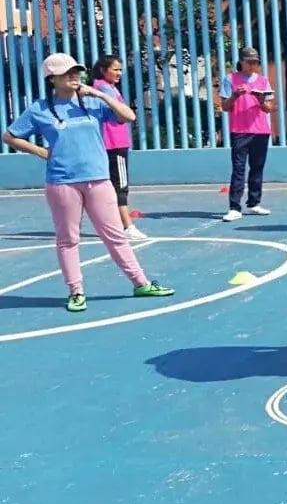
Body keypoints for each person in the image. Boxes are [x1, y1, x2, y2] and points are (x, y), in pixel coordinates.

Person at [1, 53, 175, 312]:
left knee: (115, 235)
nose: (74, 76)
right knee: (68, 239)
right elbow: (10, 136)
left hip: (99, 180)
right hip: (62, 182)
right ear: (52, 79)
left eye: (76, 71)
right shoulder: (39, 109)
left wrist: (103, 95)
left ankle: (141, 283)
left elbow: (129, 117)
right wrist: (42, 152)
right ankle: (76, 291)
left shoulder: (92, 103)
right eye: (67, 73)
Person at [91, 54, 148, 241]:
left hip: (111, 143)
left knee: (109, 186)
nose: (119, 73)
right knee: (120, 186)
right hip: (114, 143)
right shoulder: (104, 89)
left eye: (120, 69)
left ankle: (111, 223)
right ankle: (127, 226)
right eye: (115, 69)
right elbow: (123, 115)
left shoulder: (107, 88)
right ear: (103, 70)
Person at [219, 46, 275, 222]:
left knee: (257, 167)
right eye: (249, 62)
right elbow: (225, 106)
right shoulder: (230, 79)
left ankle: (254, 203)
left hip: (260, 130)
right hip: (240, 131)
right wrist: (235, 95)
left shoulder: (263, 81)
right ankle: (234, 207)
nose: (252, 66)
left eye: (255, 62)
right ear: (241, 62)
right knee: (239, 168)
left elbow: (269, 108)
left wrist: (261, 100)